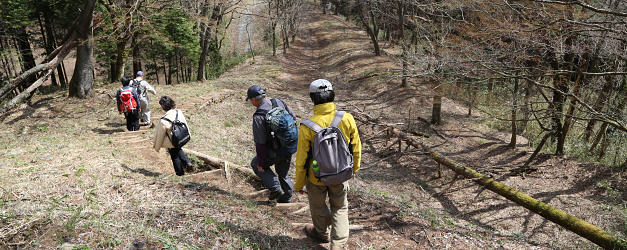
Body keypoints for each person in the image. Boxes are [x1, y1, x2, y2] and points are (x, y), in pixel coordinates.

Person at [294, 79, 361, 249]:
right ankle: (337, 245)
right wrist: (353, 169)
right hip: (341, 174)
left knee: (318, 206)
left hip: (316, 177)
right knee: (340, 207)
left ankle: (322, 233)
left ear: (312, 99)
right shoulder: (346, 118)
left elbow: (301, 159)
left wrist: (299, 184)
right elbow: (356, 148)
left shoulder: (307, 126)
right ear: (332, 96)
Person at [247, 85, 296, 203]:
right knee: (283, 173)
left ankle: (276, 189)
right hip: (289, 145)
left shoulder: (259, 116)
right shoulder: (278, 101)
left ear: (254, 99)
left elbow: (260, 143)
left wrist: (261, 162)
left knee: (255, 164)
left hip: (274, 149)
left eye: (250, 100)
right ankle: (287, 197)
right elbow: (293, 117)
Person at [153, 96, 192, 176]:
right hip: (182, 136)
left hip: (173, 140)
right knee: (178, 149)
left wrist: (157, 147)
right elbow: (184, 123)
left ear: (163, 106)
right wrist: (189, 134)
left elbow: (160, 135)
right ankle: (187, 162)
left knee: (174, 156)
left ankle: (180, 174)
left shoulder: (163, 120)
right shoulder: (178, 112)